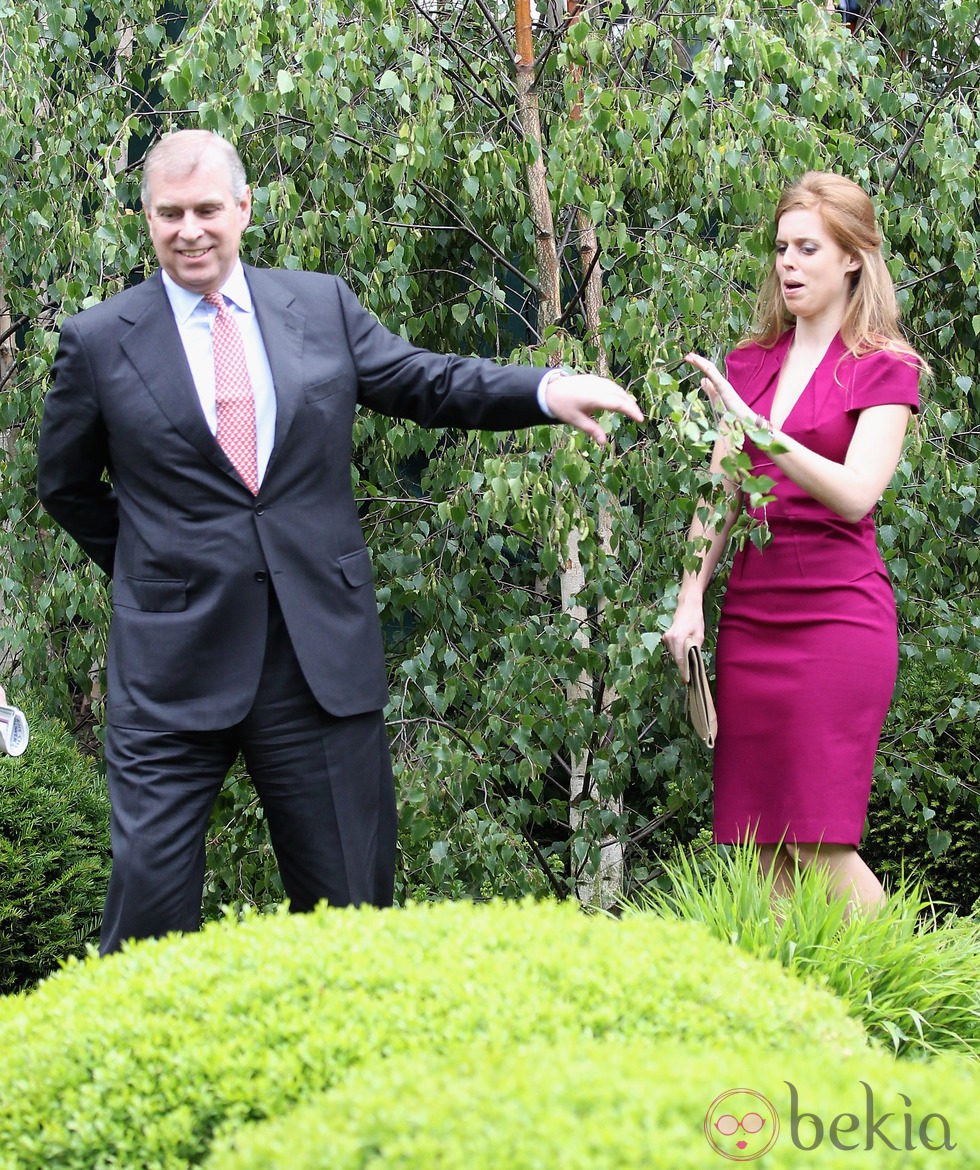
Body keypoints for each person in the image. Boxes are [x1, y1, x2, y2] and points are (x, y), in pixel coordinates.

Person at [37, 129, 643, 954]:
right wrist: (156, 571)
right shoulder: (99, 340)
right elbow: (65, 487)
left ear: (244, 209)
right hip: (170, 671)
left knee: (350, 920)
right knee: (146, 915)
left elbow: (426, 381)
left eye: (207, 209)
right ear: (146, 217)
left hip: (314, 662)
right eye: (169, 213)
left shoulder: (318, 306)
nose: (190, 230)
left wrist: (543, 387)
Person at [663, 171, 924, 914]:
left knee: (818, 841)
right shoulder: (752, 362)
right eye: (782, 247)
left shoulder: (885, 365)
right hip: (754, 616)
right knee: (762, 845)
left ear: (851, 258)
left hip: (839, 617)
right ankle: (806, 1015)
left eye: (808, 247)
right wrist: (690, 602)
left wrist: (757, 429)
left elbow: (854, 493)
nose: (789, 263)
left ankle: (913, 1002)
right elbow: (721, 494)